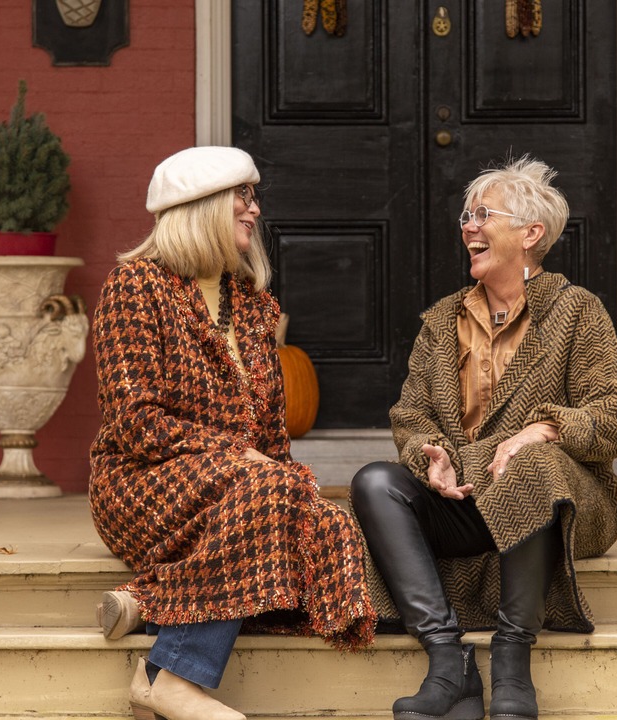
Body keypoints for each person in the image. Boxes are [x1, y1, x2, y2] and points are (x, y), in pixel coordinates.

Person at [90, 146, 376, 720]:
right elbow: (133, 421)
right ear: (200, 206)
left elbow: (271, 438)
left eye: (254, 196)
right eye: (241, 196)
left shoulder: (251, 302)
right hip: (142, 481)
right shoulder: (135, 286)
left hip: (237, 487)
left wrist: (281, 484)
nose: (255, 209)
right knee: (271, 493)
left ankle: (148, 607)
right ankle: (173, 678)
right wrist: (243, 458)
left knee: (330, 523)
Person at [351, 156, 617, 720]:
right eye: (466, 216)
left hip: (558, 503)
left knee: (532, 461)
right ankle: (447, 660)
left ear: (531, 234)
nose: (469, 227)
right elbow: (411, 413)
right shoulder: (442, 321)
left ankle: (512, 659)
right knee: (375, 482)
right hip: (466, 499)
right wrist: (431, 455)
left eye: (484, 214)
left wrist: (545, 428)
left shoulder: (576, 311)